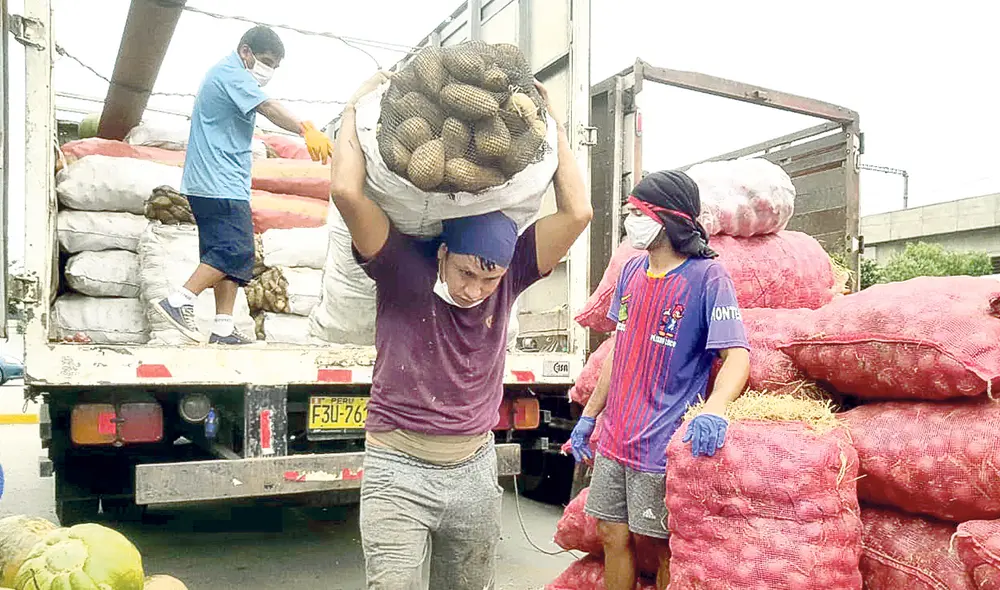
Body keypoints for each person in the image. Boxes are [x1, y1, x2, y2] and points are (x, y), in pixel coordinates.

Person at [329, 73, 592, 590]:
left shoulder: (512, 272)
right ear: (443, 254)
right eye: (465, 273)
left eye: (488, 278)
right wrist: (351, 112)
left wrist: (555, 122)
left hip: (473, 470)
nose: (475, 288)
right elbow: (344, 191)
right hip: (396, 470)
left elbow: (578, 211)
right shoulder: (402, 269)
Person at [568, 170, 751, 590]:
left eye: (638, 211)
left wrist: (716, 410)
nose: (631, 220)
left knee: (661, 544)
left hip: (660, 441)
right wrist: (590, 417)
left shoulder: (707, 277)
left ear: (667, 218)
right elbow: (620, 347)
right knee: (612, 534)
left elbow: (736, 355)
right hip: (616, 437)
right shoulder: (632, 271)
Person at [154, 25, 333, 345]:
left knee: (222, 257)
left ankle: (223, 328)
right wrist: (305, 128)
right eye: (265, 60)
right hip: (218, 181)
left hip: (215, 181)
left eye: (275, 67)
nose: (268, 70)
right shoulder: (231, 74)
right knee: (236, 251)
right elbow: (268, 106)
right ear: (245, 51)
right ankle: (180, 300)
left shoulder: (229, 75)